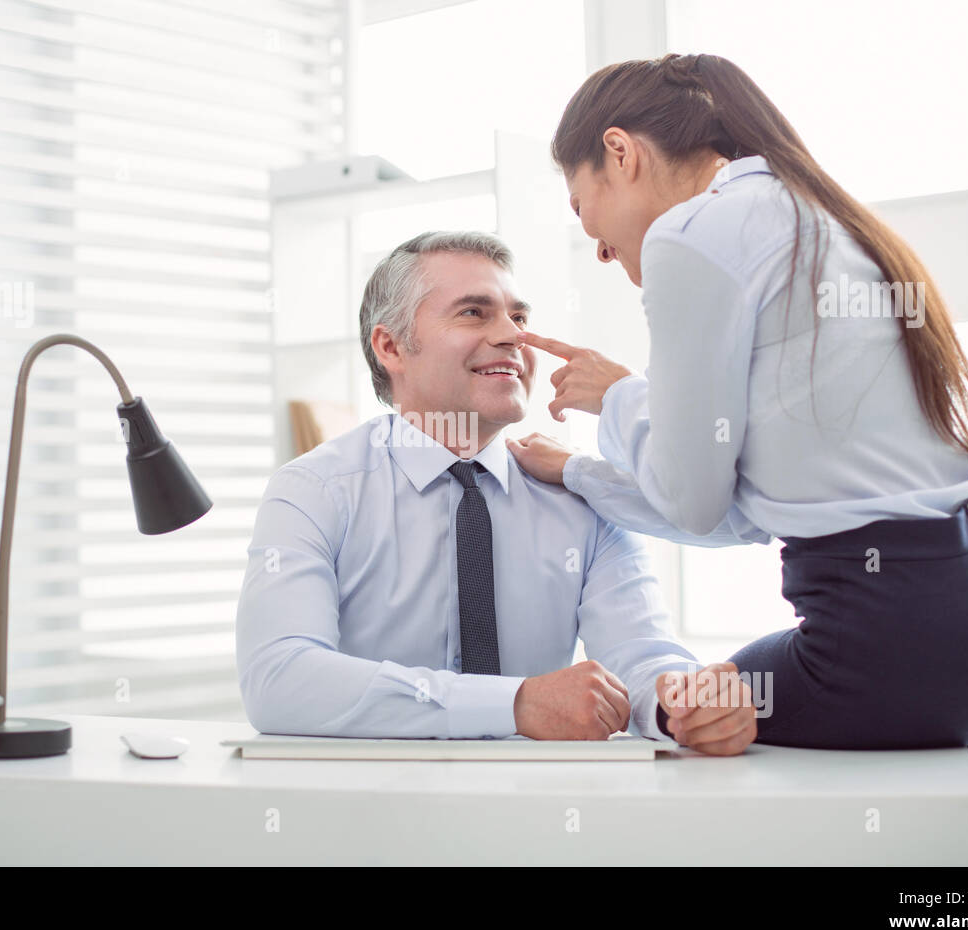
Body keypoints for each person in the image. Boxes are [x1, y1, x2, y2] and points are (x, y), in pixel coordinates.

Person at [505, 53, 968, 852]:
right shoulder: (811, 211)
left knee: (688, 715)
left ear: (620, 153)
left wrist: (621, 396)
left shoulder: (690, 233)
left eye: (589, 223)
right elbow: (741, 517)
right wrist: (583, 473)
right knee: (957, 887)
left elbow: (695, 500)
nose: (611, 257)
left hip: (899, 636)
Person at [235, 230, 757, 751]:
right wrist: (516, 704)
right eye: (473, 313)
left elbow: (641, 655)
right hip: (372, 816)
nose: (513, 336)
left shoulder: (577, 495)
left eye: (519, 317)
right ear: (391, 346)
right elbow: (279, 679)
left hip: (535, 818)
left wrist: (682, 700)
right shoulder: (313, 492)